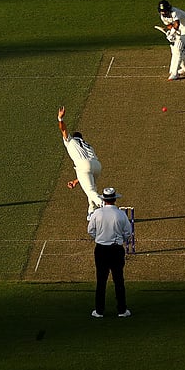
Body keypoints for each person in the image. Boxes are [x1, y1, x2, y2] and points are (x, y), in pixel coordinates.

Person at [87, 187, 132, 318]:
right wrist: (120, 240)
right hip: (116, 249)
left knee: (101, 281)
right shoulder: (120, 214)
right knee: (119, 280)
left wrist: (100, 238)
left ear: (104, 199)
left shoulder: (97, 213)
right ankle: (122, 310)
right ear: (114, 199)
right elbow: (128, 232)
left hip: (101, 249)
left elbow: (90, 230)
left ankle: (99, 311)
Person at [58, 106, 103, 220]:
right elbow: (88, 168)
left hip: (84, 165)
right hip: (97, 165)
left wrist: (60, 119)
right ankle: (91, 212)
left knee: (90, 191)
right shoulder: (88, 145)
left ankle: (104, 206)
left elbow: (63, 130)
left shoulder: (71, 140)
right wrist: (75, 181)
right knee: (92, 189)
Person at [157, 0, 185, 81]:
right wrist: (170, 33)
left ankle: (175, 73)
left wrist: (172, 33)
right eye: (162, 12)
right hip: (179, 29)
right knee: (175, 48)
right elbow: (169, 25)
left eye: (165, 11)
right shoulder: (162, 16)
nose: (164, 13)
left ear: (169, 9)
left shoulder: (174, 12)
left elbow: (176, 24)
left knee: (179, 48)